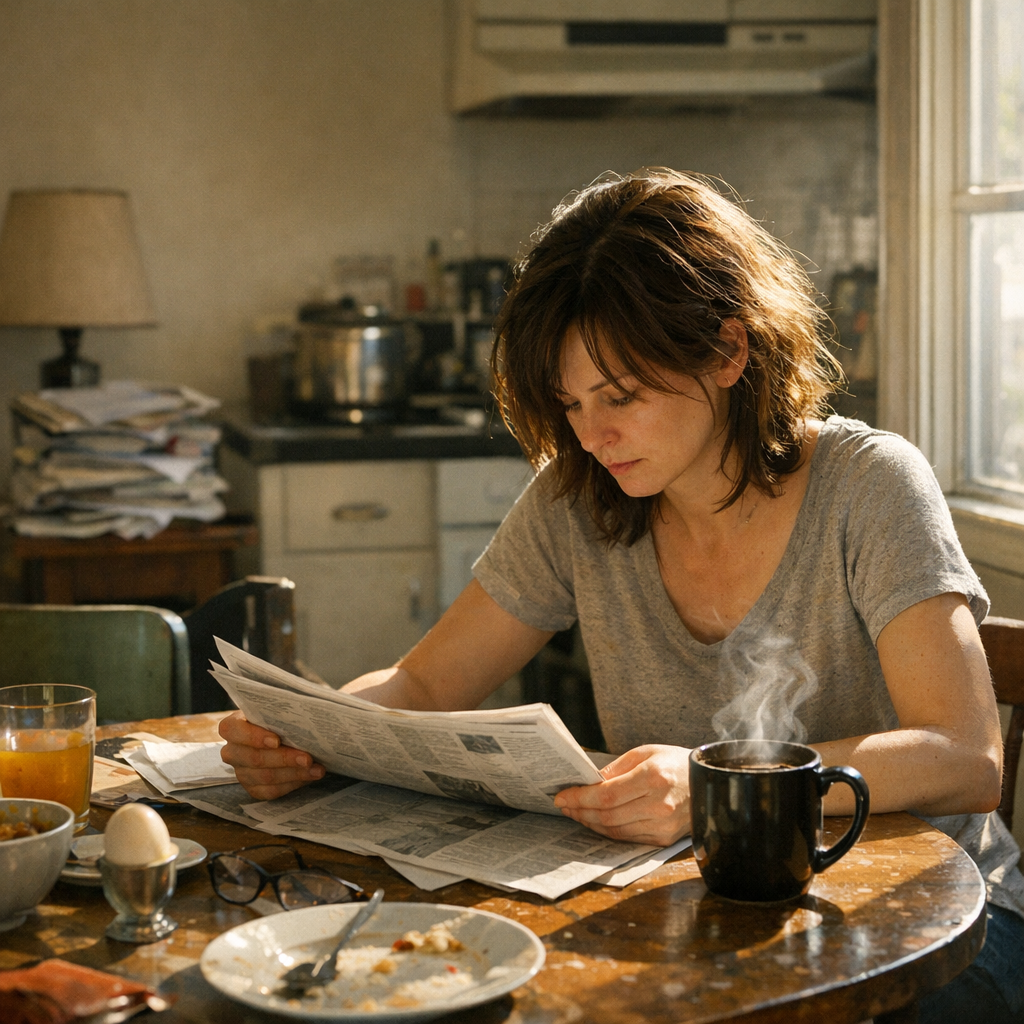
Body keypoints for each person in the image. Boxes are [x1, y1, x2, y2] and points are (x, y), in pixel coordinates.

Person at [221, 168, 1024, 1021]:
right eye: (569, 403)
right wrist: (311, 735)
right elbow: (421, 689)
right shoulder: (579, 500)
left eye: (621, 395)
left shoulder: (869, 485)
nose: (590, 434)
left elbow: (967, 756)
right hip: (714, 920)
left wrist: (720, 785)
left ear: (728, 351)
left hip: (940, 924)